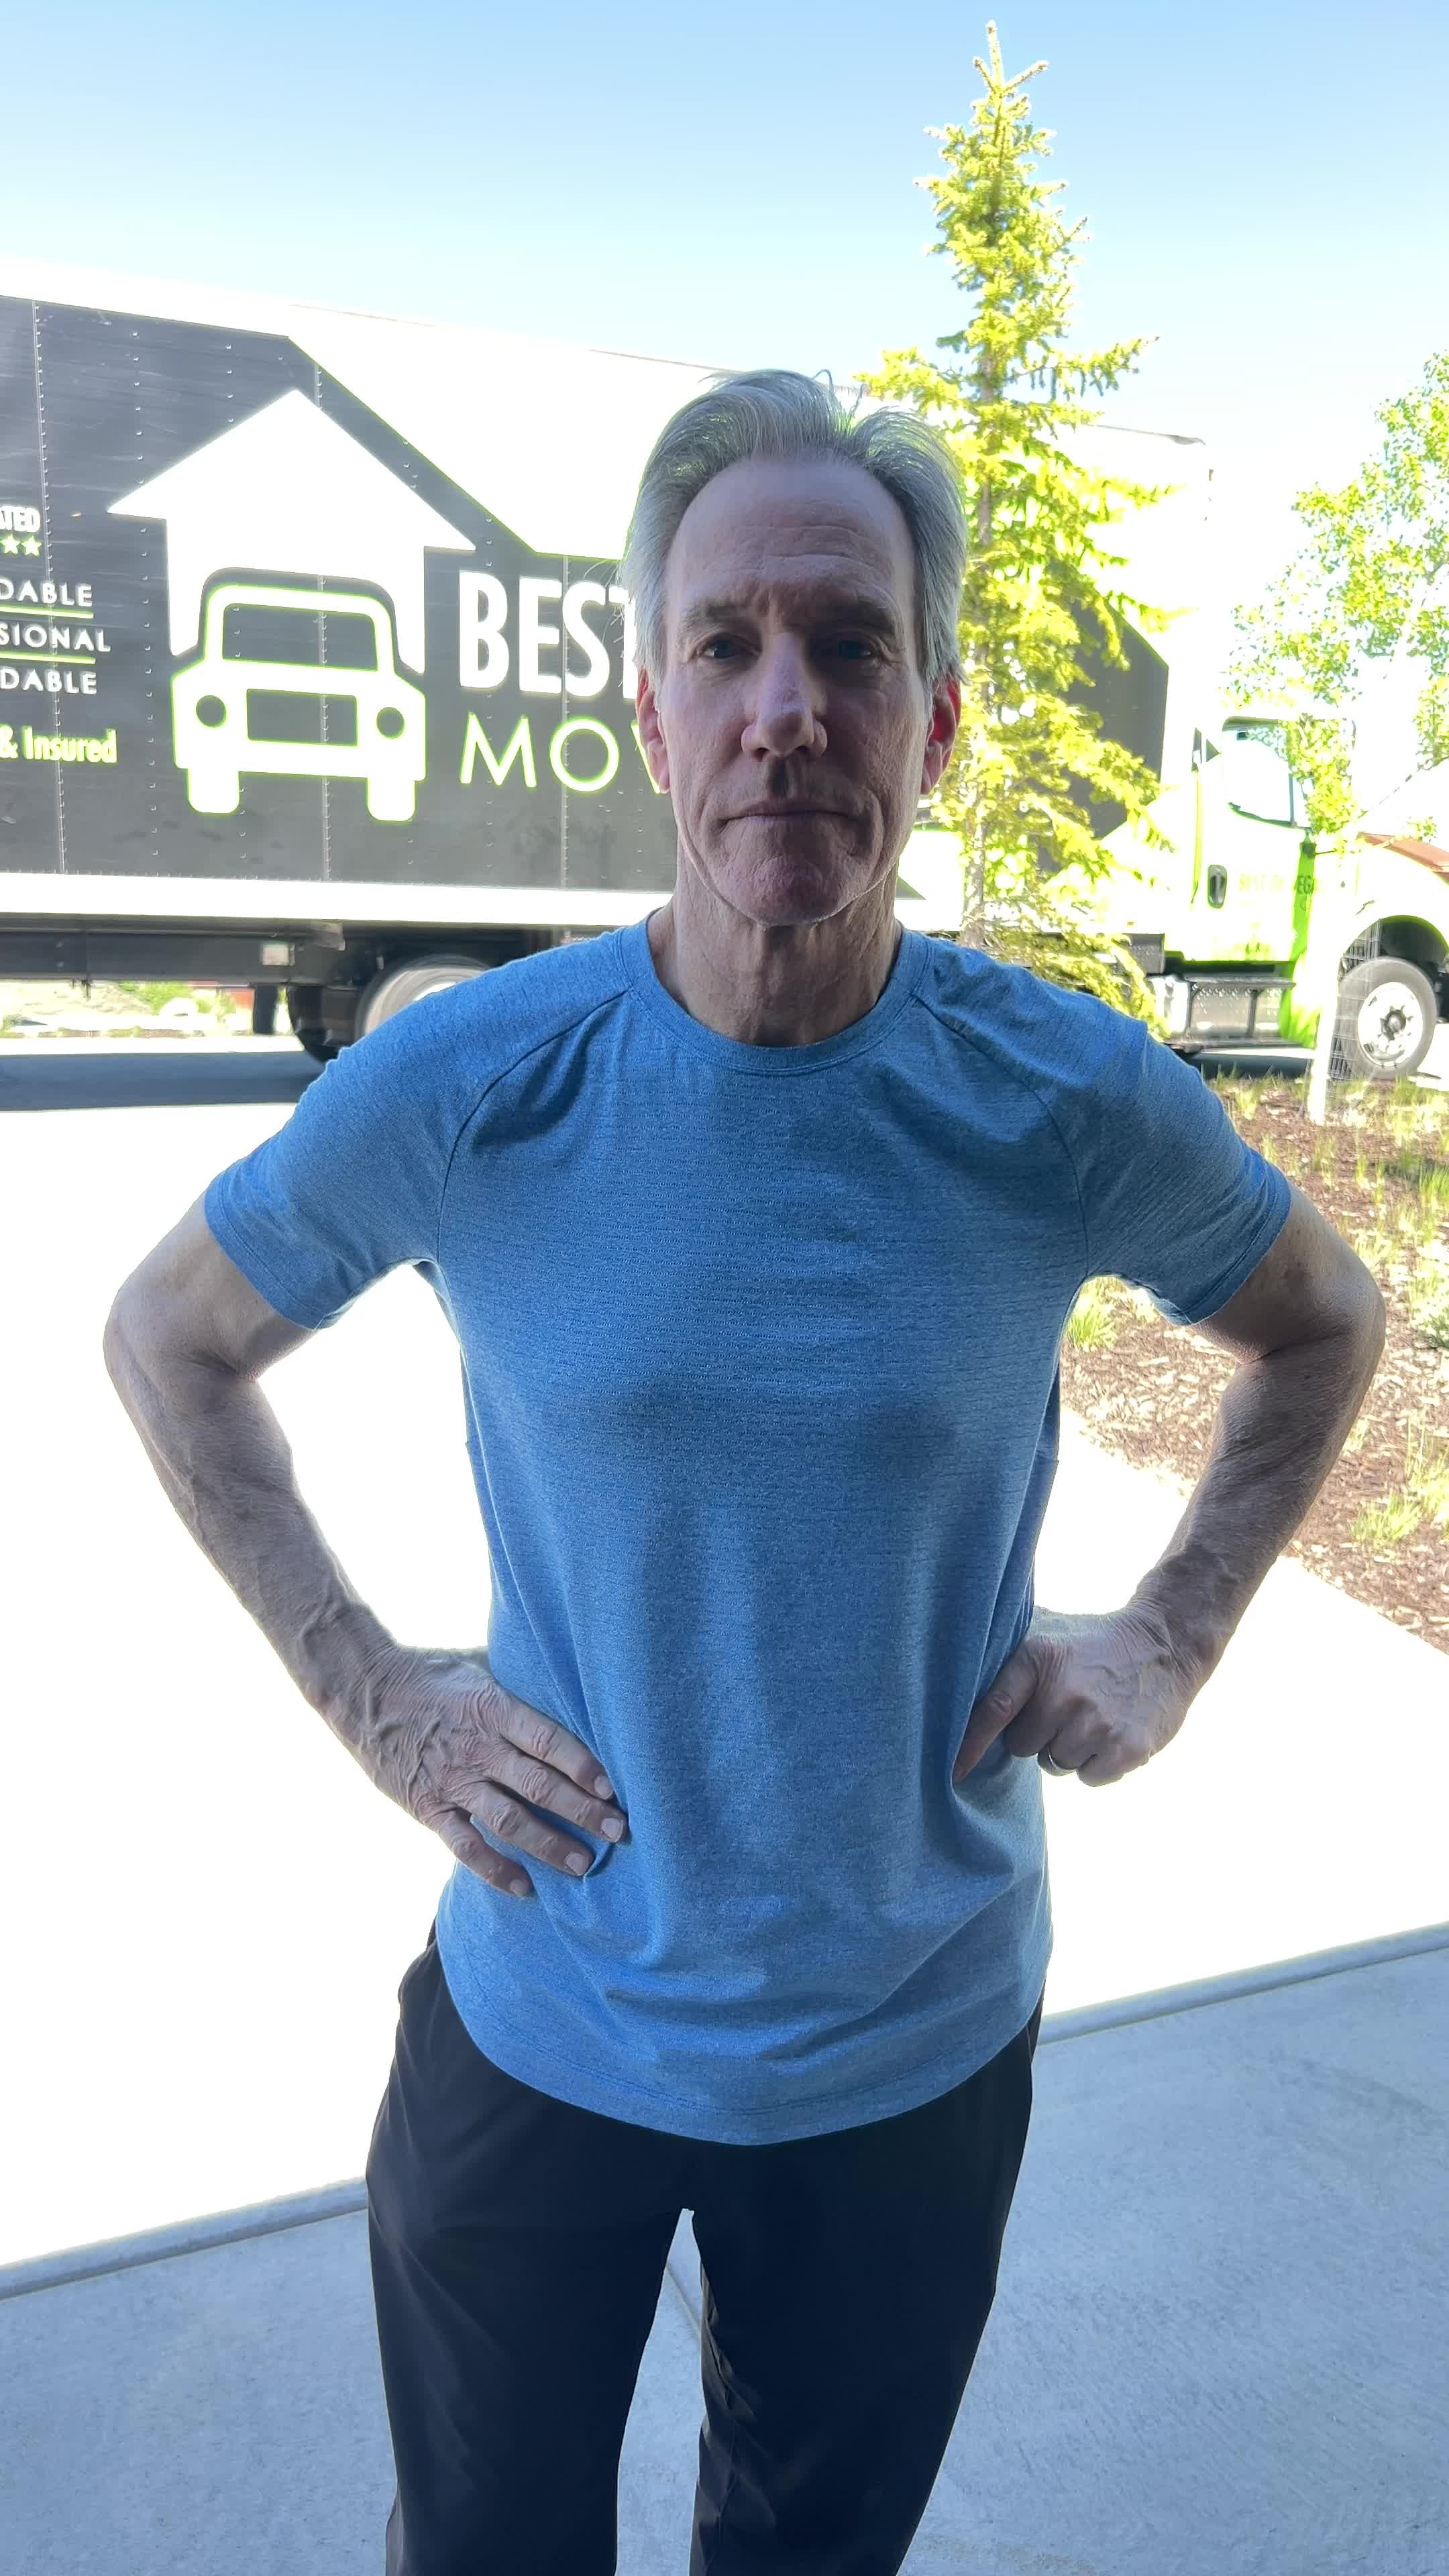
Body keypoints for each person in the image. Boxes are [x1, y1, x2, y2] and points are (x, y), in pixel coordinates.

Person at [104, 369, 1385, 2575]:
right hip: (546, 2016)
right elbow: (170, 1339)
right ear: (653, 716)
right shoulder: (480, 1081)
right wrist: (378, 1697)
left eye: (851, 646)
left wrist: (1172, 1638)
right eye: (727, 645)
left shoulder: (1054, 1097)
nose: (789, 707)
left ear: (936, 723)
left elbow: (1324, 1322)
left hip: (912, 2049)